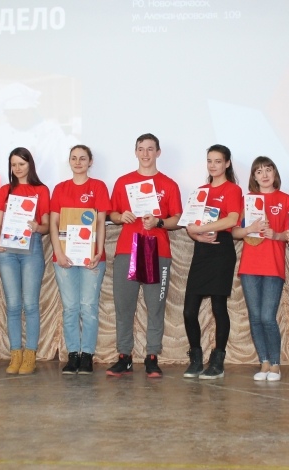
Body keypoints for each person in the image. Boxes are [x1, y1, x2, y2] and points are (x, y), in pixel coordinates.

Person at [107, 133, 182, 378]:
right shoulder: (123, 182)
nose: (146, 153)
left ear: (158, 152)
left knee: (155, 307)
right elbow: (112, 214)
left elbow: (177, 219)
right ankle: (124, 357)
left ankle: (152, 357)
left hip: (156, 250)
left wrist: (159, 222)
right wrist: (121, 217)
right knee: (124, 307)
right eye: (141, 149)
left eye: (150, 149)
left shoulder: (169, 184)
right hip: (127, 250)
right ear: (135, 152)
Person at [182, 145, 242, 379]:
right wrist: (196, 234)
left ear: (227, 163)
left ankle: (217, 361)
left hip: (221, 249)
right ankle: (196, 359)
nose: (213, 165)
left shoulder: (233, 189)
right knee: (189, 310)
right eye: (210, 161)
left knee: (219, 308)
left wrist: (202, 228)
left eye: (218, 161)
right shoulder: (200, 191)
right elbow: (189, 223)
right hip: (201, 250)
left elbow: (232, 219)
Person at [231, 156, 289, 381]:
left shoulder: (285, 199)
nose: (264, 175)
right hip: (250, 266)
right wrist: (250, 228)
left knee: (268, 316)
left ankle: (275, 364)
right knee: (255, 317)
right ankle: (264, 362)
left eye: (268, 169)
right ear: (254, 177)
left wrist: (276, 235)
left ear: (274, 173)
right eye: (259, 171)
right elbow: (235, 232)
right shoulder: (247, 200)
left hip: (273, 266)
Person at [50, 145, 111, 374]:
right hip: (64, 257)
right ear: (69, 161)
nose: (78, 162)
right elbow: (54, 223)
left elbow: (100, 222)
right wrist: (59, 252)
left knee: (88, 307)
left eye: (83, 158)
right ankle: (73, 354)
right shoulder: (60, 188)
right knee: (70, 308)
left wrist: (98, 251)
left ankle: (87, 355)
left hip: (91, 258)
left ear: (90, 162)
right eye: (74, 158)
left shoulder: (98, 187)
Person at [0, 147, 49, 375]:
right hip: (7, 250)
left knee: (30, 304)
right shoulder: (4, 190)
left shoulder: (41, 190)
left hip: (31, 248)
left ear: (30, 165)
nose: (17, 168)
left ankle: (30, 354)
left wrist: (37, 227)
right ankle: (15, 353)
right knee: (13, 305)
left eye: (21, 164)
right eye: (14, 164)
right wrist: (0, 239)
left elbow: (46, 225)